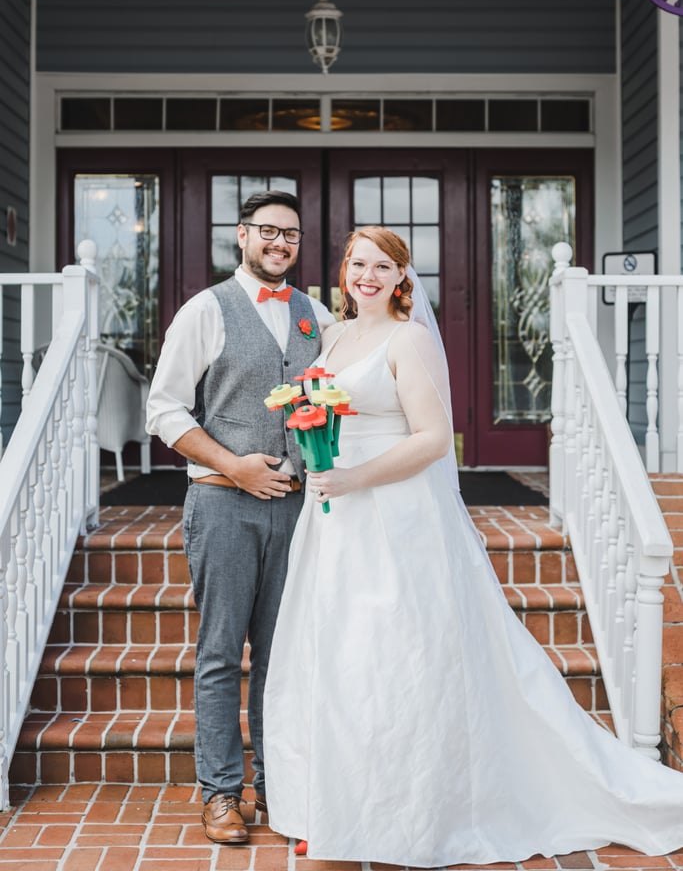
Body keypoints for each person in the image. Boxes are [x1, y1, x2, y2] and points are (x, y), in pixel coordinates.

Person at [262, 225, 683, 868]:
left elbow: (433, 440)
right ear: (344, 273)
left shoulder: (411, 340)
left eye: (382, 266)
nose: (368, 276)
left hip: (395, 519)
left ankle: (413, 812)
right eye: (357, 264)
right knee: (340, 658)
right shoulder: (338, 336)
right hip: (336, 520)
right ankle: (340, 804)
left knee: (395, 660)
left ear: (403, 278)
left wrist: (351, 477)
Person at [145, 190, 334, 845]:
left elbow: (331, 402)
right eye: (268, 232)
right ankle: (221, 793)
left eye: (292, 234)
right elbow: (164, 411)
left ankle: (277, 787)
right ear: (242, 235)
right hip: (223, 505)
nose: (280, 243)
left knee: (283, 659)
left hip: (298, 510)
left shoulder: (317, 316)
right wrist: (234, 466)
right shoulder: (207, 309)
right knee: (223, 652)